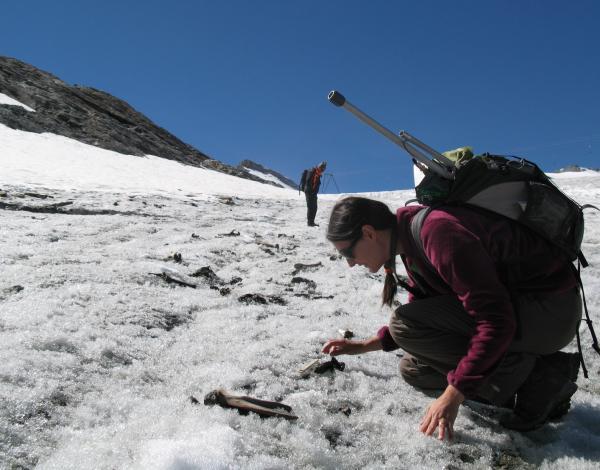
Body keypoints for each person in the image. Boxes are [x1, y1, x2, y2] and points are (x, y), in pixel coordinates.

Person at [322, 196, 582, 440]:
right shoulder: (410, 243)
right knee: (414, 369)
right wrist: (364, 346)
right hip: (525, 311)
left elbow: (495, 321)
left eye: (348, 253)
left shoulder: (438, 233)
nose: (350, 264)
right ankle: (516, 374)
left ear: (369, 233)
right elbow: (427, 310)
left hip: (551, 311)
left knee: (404, 325)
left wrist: (454, 394)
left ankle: (539, 379)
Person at [300, 161, 327, 226]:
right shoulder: (313, 172)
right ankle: (310, 223)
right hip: (310, 192)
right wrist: (311, 192)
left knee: (314, 207)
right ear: (319, 167)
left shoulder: (317, 173)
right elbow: (309, 182)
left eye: (324, 169)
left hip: (312, 193)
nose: (323, 170)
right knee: (311, 207)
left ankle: (311, 222)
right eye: (322, 168)